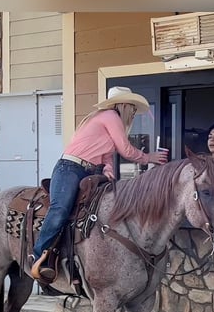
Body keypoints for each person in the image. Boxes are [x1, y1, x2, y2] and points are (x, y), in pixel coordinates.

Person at [31, 86, 169, 282]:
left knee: (92, 214)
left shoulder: (104, 121)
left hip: (87, 171)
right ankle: (38, 256)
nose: (133, 113)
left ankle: (75, 260)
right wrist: (149, 157)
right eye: (132, 108)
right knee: (60, 209)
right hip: (70, 168)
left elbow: (107, 159)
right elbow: (126, 150)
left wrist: (110, 176)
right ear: (123, 105)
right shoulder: (111, 116)